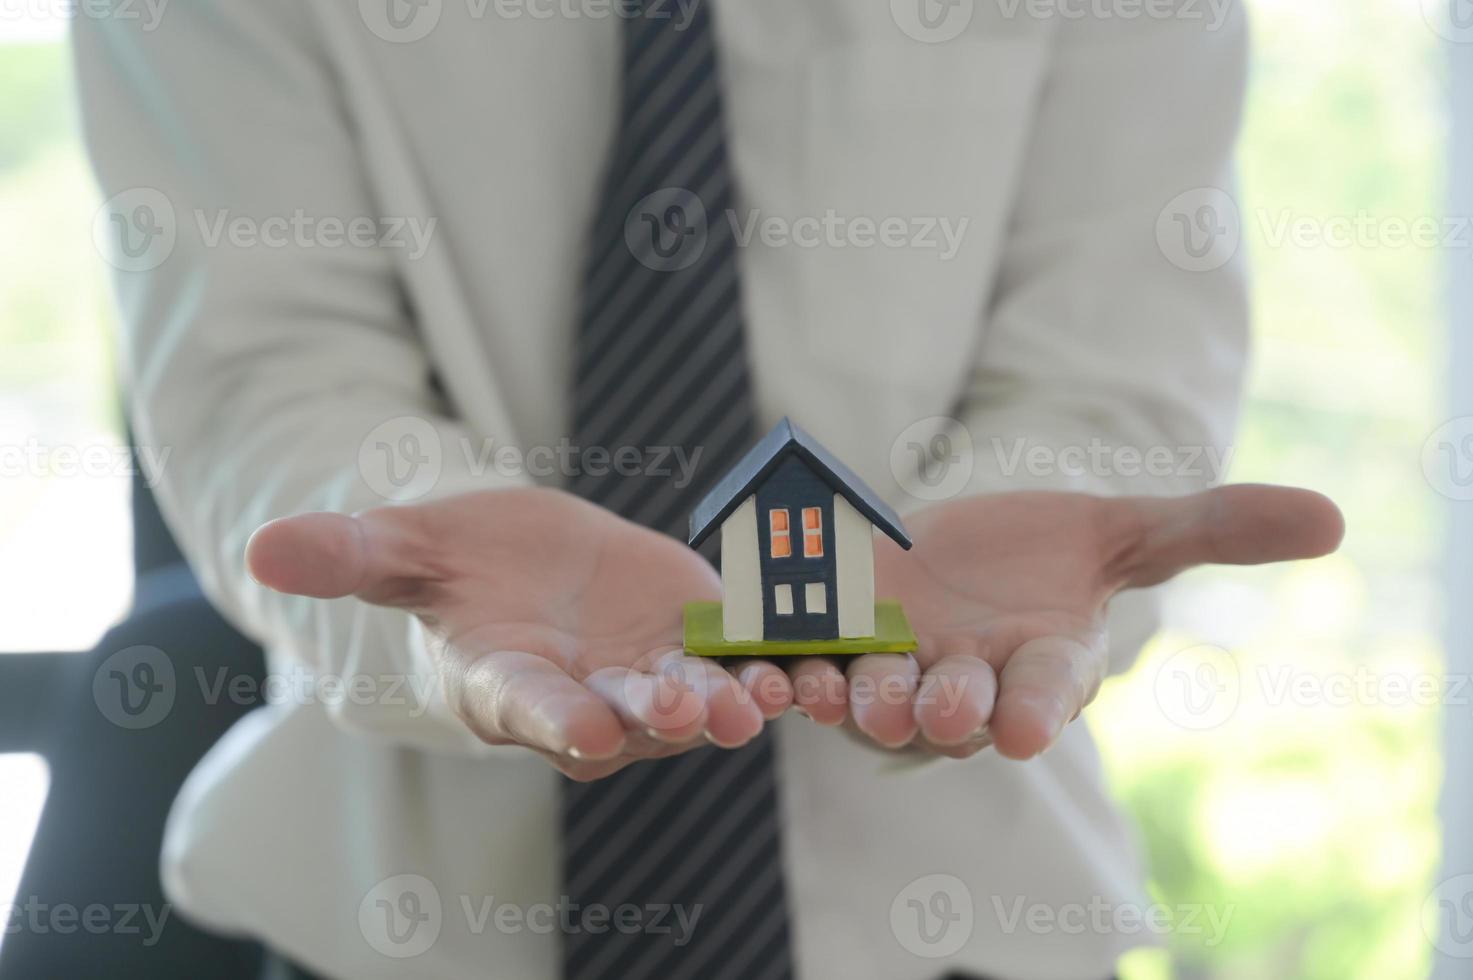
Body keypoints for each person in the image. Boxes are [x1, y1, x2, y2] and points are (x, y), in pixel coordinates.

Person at [74, 0, 1341, 977]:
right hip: (391, 913)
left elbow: (1110, 357)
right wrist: (418, 535)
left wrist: (999, 548)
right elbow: (264, 366)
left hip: (970, 904)